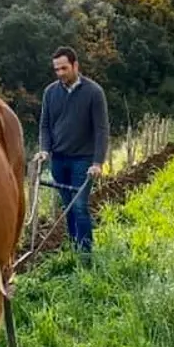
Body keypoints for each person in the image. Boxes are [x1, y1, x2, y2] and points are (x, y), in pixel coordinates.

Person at [35, 46, 109, 259]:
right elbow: (45, 126)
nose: (60, 73)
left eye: (64, 68)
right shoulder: (50, 93)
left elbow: (101, 130)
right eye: (56, 69)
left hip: (83, 160)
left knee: (79, 207)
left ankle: (85, 256)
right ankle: (75, 247)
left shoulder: (94, 92)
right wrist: (44, 150)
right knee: (67, 207)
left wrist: (97, 162)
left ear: (75, 65)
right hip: (58, 159)